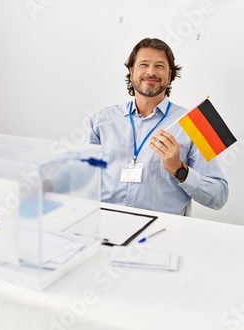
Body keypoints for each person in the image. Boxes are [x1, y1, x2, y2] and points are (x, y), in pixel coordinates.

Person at [89, 37, 228, 215]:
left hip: (161, 232)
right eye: (144, 64)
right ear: (131, 72)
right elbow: (81, 177)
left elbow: (219, 196)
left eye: (160, 66)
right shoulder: (102, 121)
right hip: (106, 224)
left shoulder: (195, 123)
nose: (151, 72)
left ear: (170, 75)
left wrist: (179, 169)